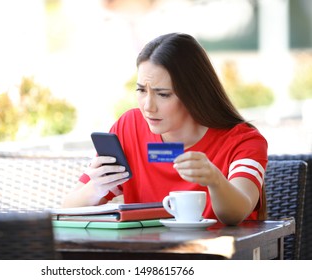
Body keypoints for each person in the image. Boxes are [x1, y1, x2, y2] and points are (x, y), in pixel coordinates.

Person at [62, 33, 268, 225]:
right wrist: (96, 188)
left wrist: (215, 180)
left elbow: (236, 214)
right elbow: (67, 209)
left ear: (194, 93)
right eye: (141, 90)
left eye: (163, 94)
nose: (148, 106)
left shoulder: (243, 141)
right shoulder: (128, 127)